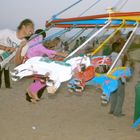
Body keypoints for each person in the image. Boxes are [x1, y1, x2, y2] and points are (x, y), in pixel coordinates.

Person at [0, 19, 34, 88]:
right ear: (24, 26)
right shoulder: (7, 32)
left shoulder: (25, 45)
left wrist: (20, 48)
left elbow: (18, 64)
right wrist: (5, 48)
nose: (33, 31)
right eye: (31, 27)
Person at [109, 42, 126, 117]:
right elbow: (122, 65)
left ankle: (112, 110)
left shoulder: (109, 56)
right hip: (118, 78)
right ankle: (117, 112)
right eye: (120, 47)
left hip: (111, 78)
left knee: (113, 94)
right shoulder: (119, 57)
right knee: (120, 96)